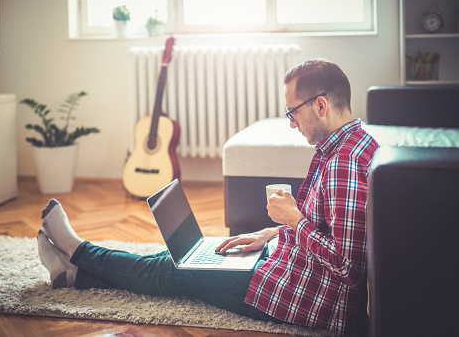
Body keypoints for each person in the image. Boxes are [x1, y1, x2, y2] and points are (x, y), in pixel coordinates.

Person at [37, 58, 379, 336]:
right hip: (290, 264)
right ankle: (73, 276)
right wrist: (272, 234)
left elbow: (348, 267)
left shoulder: (344, 165)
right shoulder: (353, 144)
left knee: (178, 271)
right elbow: (332, 232)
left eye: (293, 113)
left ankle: (78, 251)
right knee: (186, 256)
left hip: (302, 294)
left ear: (320, 105)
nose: (291, 123)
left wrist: (294, 219)